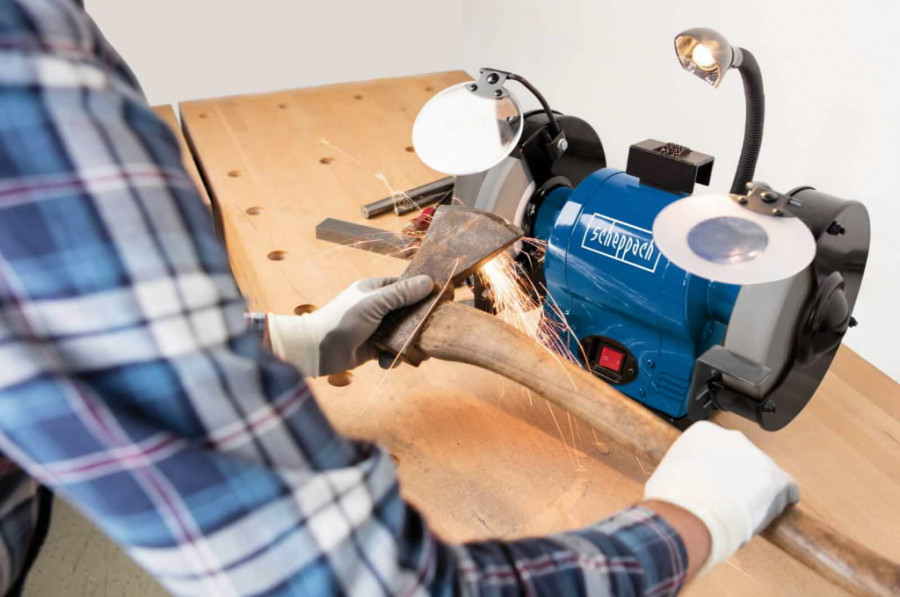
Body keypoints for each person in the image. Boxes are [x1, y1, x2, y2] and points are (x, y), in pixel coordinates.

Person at [0, 1, 798, 595]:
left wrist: (286, 339)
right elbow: (370, 583)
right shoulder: (33, 78)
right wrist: (694, 520)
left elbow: (51, 333)